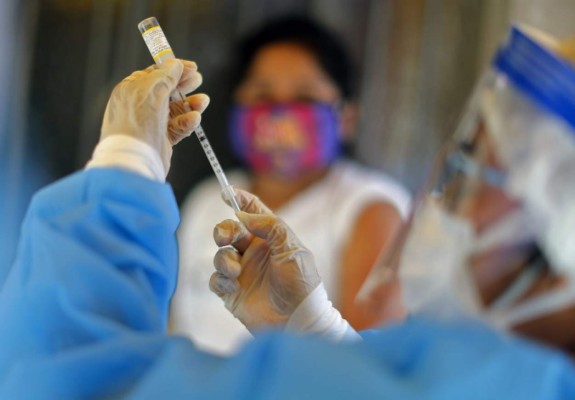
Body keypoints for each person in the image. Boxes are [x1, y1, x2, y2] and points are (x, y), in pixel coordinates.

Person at [1, 28, 574, 399]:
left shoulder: (366, 205)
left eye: (476, 166)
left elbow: (65, 377)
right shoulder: (518, 382)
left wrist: (125, 158)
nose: (441, 190)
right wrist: (314, 329)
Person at [212, 25, 575, 358]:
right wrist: (309, 325)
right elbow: (372, 384)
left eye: (472, 182)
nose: (440, 206)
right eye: (460, 167)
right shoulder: (470, 367)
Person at [170, 15, 410, 354]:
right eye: (262, 96)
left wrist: (306, 323)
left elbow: (370, 368)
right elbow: (175, 332)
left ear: (347, 117)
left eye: (305, 98)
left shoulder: (371, 209)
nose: (280, 115)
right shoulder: (207, 200)